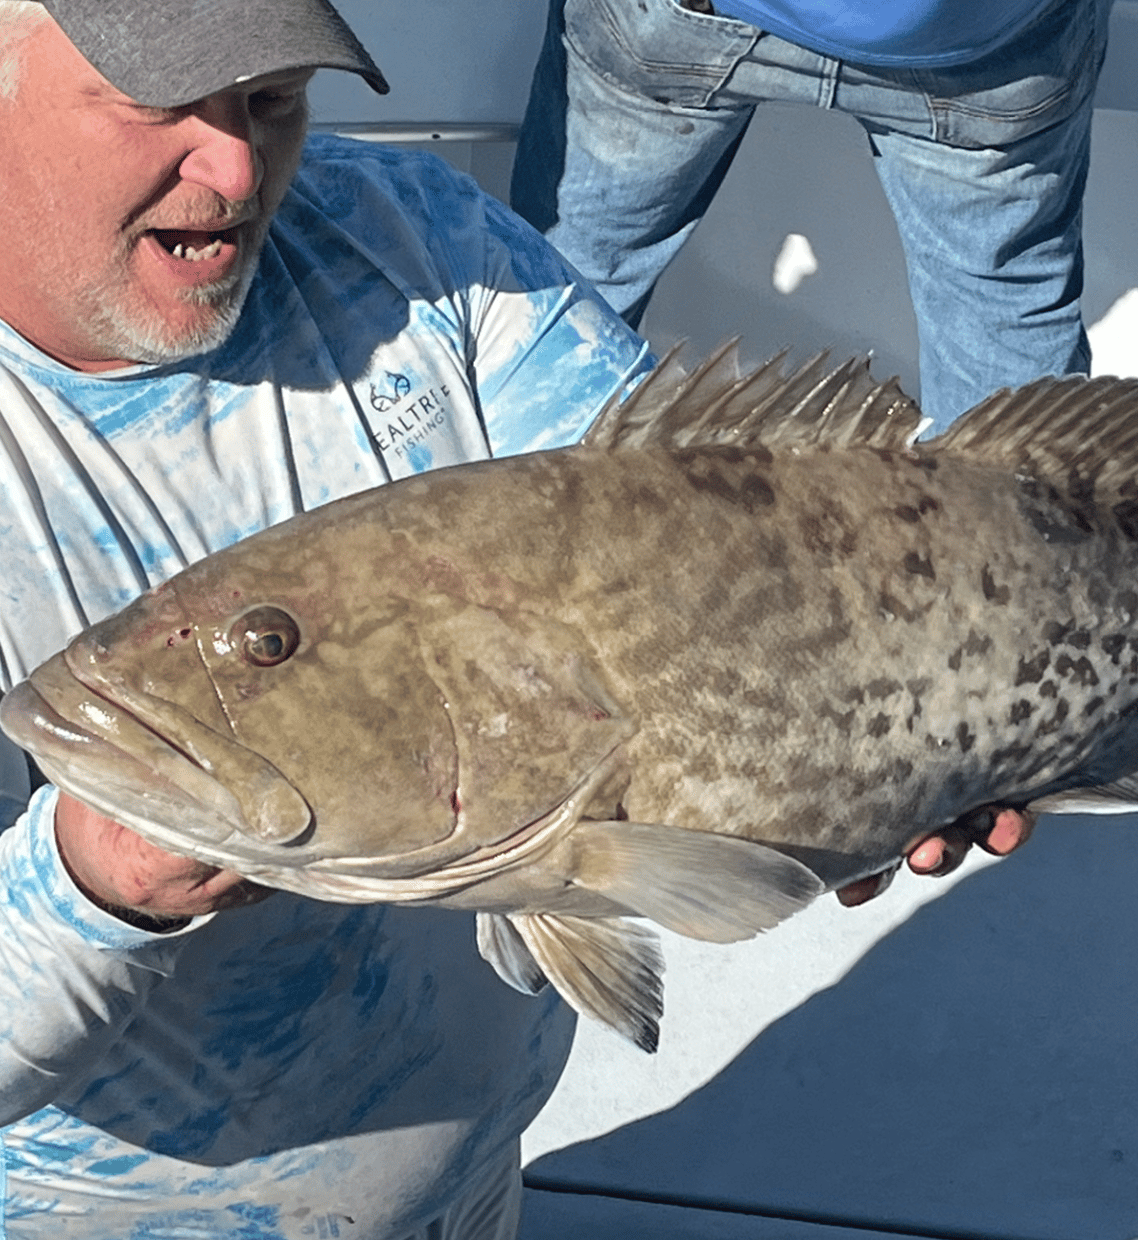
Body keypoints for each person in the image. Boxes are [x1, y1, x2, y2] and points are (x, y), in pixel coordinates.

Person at [0, 1, 1030, 1236]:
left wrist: (892, 725)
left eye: (272, 98)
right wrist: (95, 880)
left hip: (476, 1183)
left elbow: (677, 545)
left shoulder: (418, 238)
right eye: (163, 100)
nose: (233, 167)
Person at [510, 0, 1113, 428]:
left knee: (569, 287)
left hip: (684, 22)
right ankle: (1028, 585)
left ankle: (505, 570)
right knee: (1003, 329)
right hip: (985, 45)